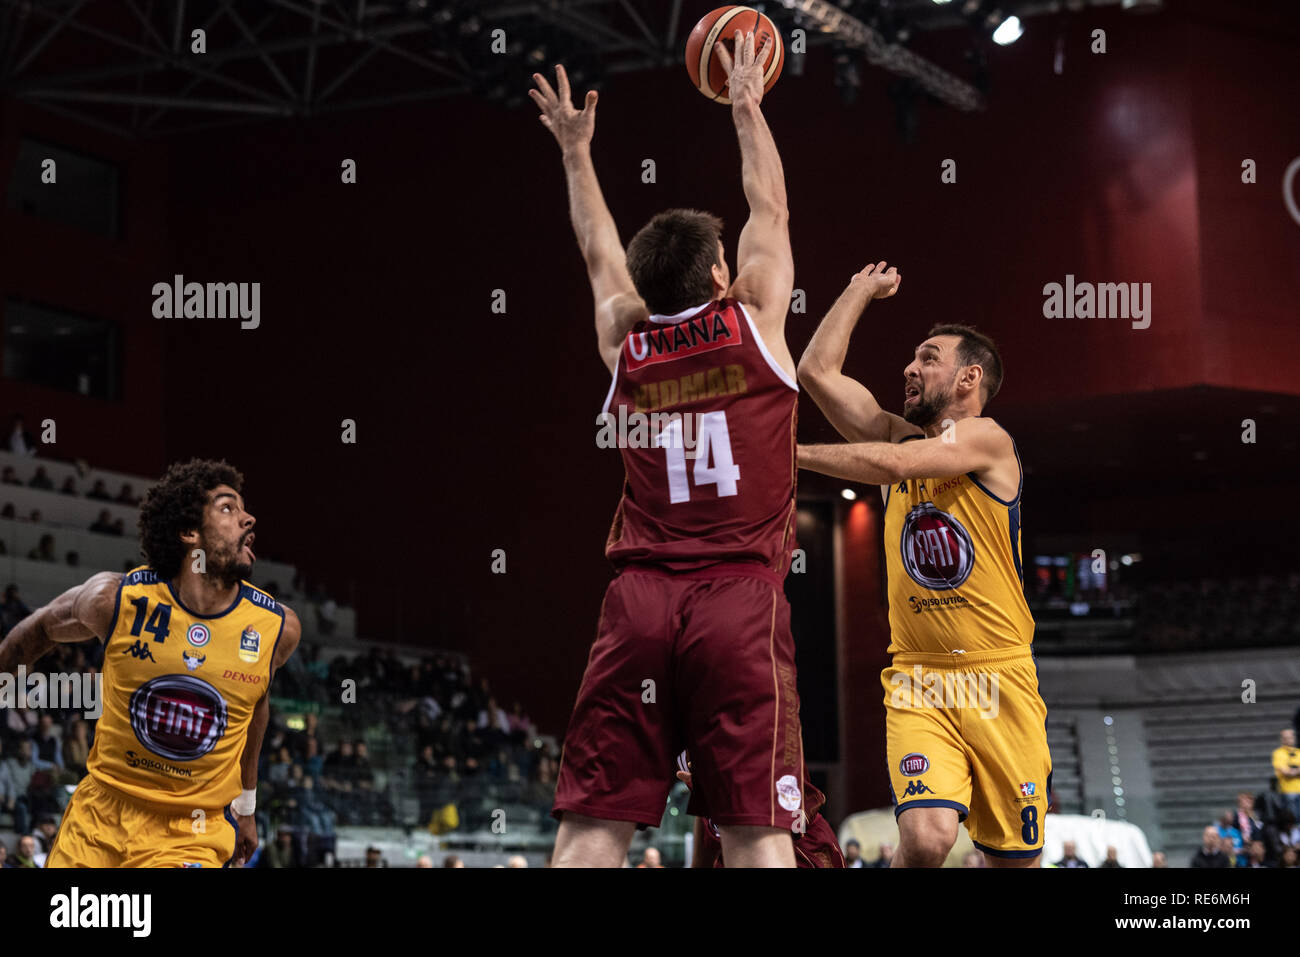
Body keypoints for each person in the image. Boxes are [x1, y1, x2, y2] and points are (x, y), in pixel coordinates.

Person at [534, 33, 806, 871]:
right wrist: (747, 103)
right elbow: (772, 208)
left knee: (589, 831)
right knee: (759, 832)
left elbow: (595, 252)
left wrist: (577, 155)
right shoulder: (756, 318)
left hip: (639, 603)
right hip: (737, 603)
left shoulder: (626, 341)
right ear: (721, 269)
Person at [799, 292, 1047, 867]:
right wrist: (857, 292)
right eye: (912, 358)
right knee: (926, 837)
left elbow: (895, 466)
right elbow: (815, 371)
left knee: (1014, 860)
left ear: (970, 377)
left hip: (999, 675)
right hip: (921, 677)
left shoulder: (989, 438)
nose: (910, 368)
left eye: (928, 357)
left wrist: (785, 454)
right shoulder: (898, 438)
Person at [0, 459, 302, 867]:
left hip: (190, 832)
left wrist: (246, 806)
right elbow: (39, 628)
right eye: (228, 508)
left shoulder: (276, 629)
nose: (249, 518)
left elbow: (254, 701)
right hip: (99, 819)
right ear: (189, 532)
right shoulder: (117, 600)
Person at [1273, 729, 1300, 821]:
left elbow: (1289, 771)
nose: (1289, 739)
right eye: (1286, 738)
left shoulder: (1299, 752)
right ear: (1282, 739)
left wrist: (1291, 771)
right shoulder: (1278, 753)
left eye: (1290, 737)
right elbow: (1285, 772)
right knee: (1291, 818)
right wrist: (1297, 770)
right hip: (1287, 790)